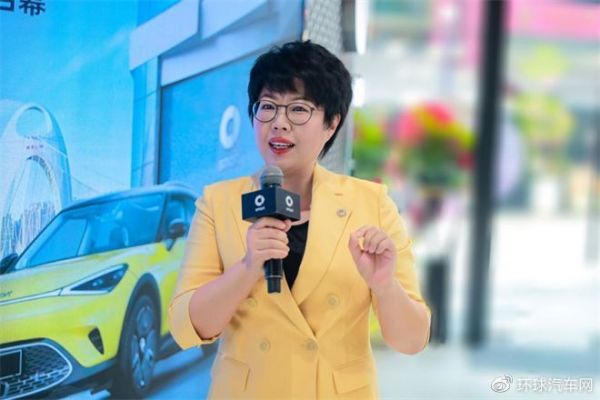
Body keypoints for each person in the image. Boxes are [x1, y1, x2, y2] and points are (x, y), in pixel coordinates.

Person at [168, 41, 431, 399]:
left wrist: (385, 287)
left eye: (298, 109)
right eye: (267, 107)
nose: (279, 123)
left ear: (331, 123)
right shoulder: (218, 202)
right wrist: (247, 267)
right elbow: (186, 327)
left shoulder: (371, 203)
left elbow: (412, 340)